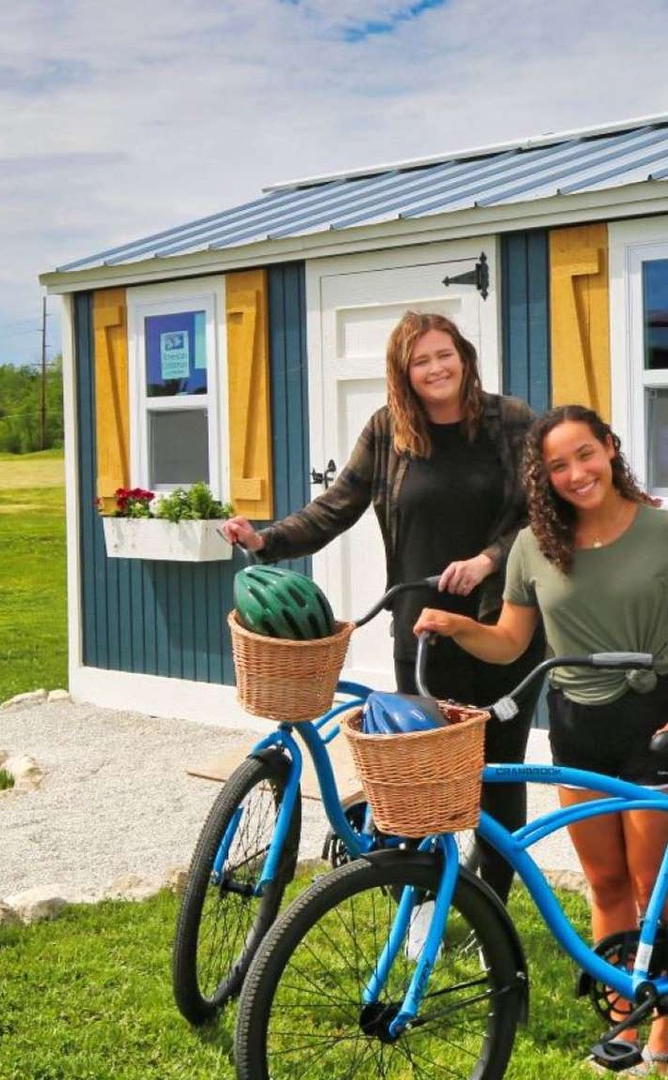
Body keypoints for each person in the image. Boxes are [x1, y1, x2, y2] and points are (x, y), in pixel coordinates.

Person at [413, 404, 668, 1076]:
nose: (576, 473)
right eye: (558, 465)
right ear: (543, 477)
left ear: (609, 448)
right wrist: (459, 627)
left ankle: (665, 1029)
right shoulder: (534, 546)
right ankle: (622, 1023)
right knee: (604, 882)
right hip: (576, 724)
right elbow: (510, 642)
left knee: (652, 885)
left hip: (654, 722)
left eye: (585, 454)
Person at [220, 310, 543, 900]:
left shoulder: (512, 421)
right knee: (416, 773)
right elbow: (334, 508)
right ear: (403, 372)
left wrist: (489, 560)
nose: (436, 368)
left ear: (464, 357)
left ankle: (491, 905)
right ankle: (418, 905)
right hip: (420, 629)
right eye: (421, 361)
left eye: (444, 354)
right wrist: (266, 541)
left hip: (501, 625)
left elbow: (541, 513)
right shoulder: (387, 430)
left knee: (496, 770)